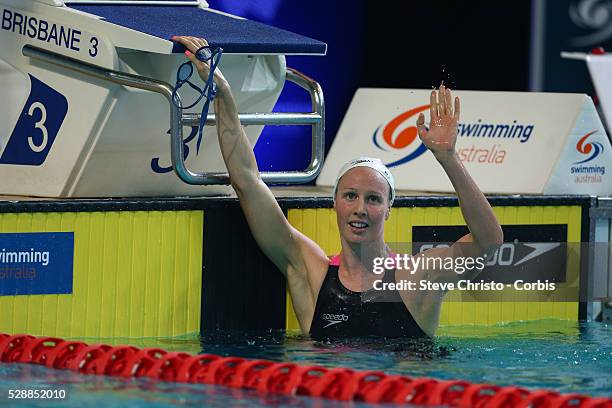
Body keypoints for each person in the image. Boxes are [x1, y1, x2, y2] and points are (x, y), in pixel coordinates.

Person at [172, 36, 503, 340]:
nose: (360, 208)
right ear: (335, 203)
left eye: (373, 199)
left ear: (388, 208)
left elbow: (488, 244)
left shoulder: (417, 278)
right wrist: (223, 93)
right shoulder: (310, 271)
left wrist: (449, 158)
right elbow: (247, 181)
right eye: (350, 196)